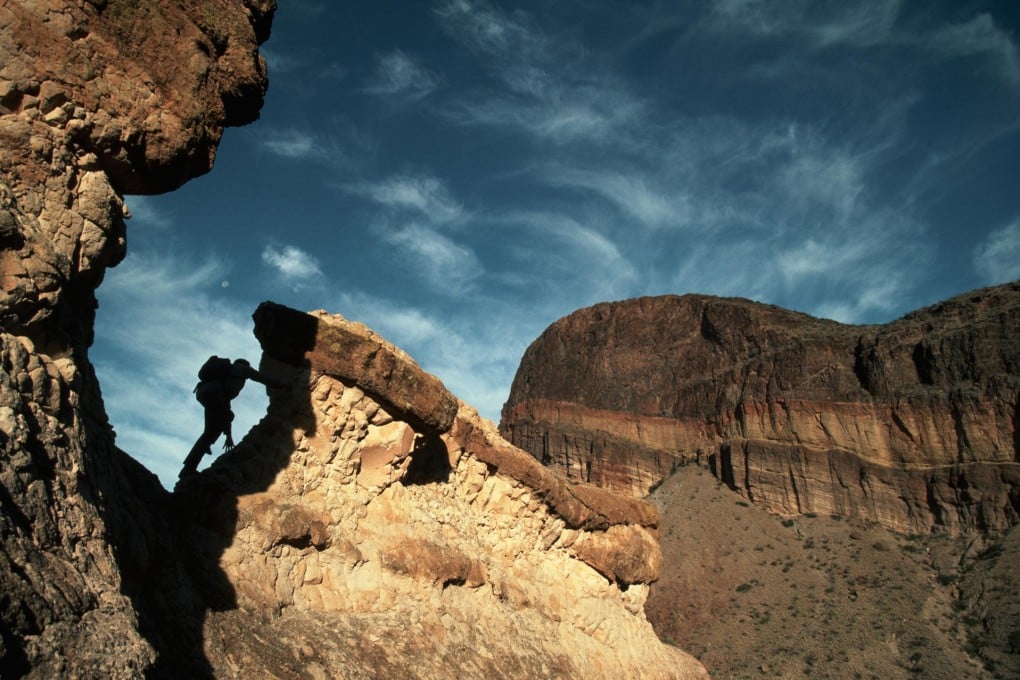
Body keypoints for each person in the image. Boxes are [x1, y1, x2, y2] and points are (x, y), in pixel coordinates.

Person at [179, 357, 276, 478]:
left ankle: (188, 467)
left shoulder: (226, 377)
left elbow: (226, 410)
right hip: (215, 394)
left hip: (206, 393)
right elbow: (261, 377)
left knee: (211, 431)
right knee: (215, 428)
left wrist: (228, 436)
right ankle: (196, 457)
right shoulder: (242, 368)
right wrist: (282, 384)